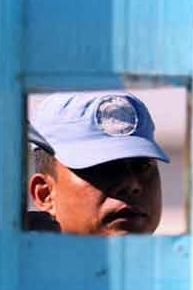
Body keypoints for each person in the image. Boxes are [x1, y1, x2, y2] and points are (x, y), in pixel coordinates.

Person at [26, 92, 169, 235]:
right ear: (45, 194)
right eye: (103, 167)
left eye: (142, 166)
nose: (131, 184)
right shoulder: (9, 256)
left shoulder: (183, 255)